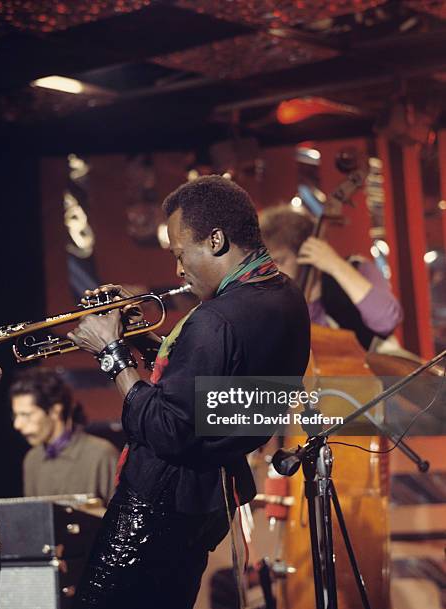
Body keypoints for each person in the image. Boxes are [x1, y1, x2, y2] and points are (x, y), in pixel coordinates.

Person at [67, 175, 310, 609]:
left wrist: (112, 354)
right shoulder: (286, 298)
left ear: (216, 240)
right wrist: (144, 343)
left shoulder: (214, 319)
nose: (178, 271)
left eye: (181, 254)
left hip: (155, 509)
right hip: (207, 502)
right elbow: (216, 394)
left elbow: (167, 429)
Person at [259, 205, 403, 349]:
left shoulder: (355, 267)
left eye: (279, 261)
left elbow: (387, 320)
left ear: (306, 254)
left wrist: (335, 265)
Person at [10, 367, 119, 503]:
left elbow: (122, 519)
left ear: (55, 410)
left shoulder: (102, 454)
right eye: (16, 415)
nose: (17, 424)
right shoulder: (32, 459)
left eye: (26, 415)